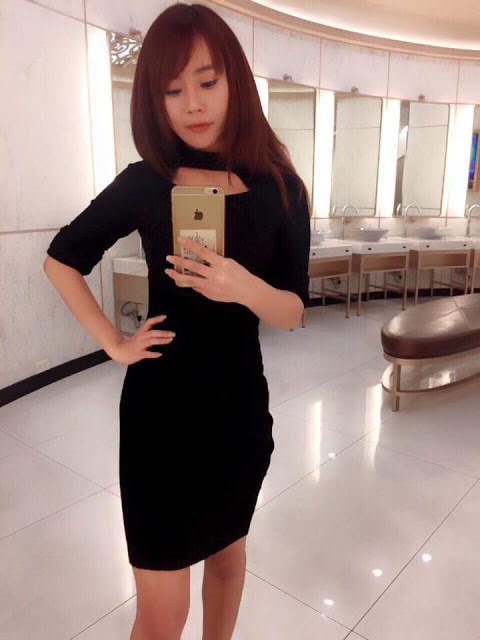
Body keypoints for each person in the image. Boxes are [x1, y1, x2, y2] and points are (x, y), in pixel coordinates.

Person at [43, 3, 310, 639]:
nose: (192, 103)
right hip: (159, 420)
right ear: (154, 100)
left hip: (238, 412)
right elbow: (62, 260)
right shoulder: (146, 183)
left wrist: (244, 287)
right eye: (171, 89)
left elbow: (294, 310)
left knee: (228, 559)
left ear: (234, 81)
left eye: (207, 81)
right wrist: (112, 342)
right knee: (163, 614)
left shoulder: (281, 189)